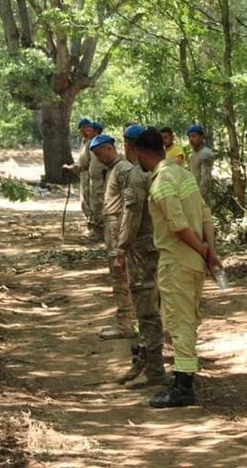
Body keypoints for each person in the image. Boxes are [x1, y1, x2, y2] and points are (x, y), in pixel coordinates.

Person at [133, 127, 221, 408]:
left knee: (179, 322)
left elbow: (179, 225)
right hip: (192, 262)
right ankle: (183, 376)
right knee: (187, 320)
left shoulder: (161, 183)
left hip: (177, 262)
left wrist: (204, 250)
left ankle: (183, 385)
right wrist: (210, 251)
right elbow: (204, 213)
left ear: (139, 154)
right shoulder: (183, 173)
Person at [114, 123, 166, 386]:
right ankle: (144, 361)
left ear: (131, 146)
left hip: (142, 249)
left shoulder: (138, 175)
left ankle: (154, 370)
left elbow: (132, 215)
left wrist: (121, 248)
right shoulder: (166, 171)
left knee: (146, 309)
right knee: (153, 306)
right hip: (162, 246)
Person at [90, 134, 137, 340]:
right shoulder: (111, 170)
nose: (99, 159)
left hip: (118, 226)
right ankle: (124, 320)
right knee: (118, 276)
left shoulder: (124, 170)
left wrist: (121, 241)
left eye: (100, 154)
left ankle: (126, 324)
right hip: (112, 225)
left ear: (110, 148)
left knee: (121, 275)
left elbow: (130, 207)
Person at [62, 117, 95, 235]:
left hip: (90, 175)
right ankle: (90, 225)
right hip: (83, 175)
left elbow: (85, 163)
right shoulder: (84, 142)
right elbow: (80, 162)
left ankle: (94, 228)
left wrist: (71, 168)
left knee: (90, 201)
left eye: (88, 128)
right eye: (84, 128)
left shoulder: (93, 143)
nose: (86, 130)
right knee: (84, 201)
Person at [88, 121, 107, 241]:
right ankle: (96, 230)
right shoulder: (90, 144)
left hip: (101, 180)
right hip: (93, 180)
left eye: (91, 130)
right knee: (94, 205)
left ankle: (102, 232)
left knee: (100, 204)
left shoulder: (102, 143)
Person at [187, 124, 214, 205]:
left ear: (201, 137)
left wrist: (199, 197)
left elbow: (205, 179)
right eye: (189, 137)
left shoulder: (206, 154)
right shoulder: (192, 155)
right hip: (192, 194)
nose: (191, 139)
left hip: (202, 198)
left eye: (194, 136)